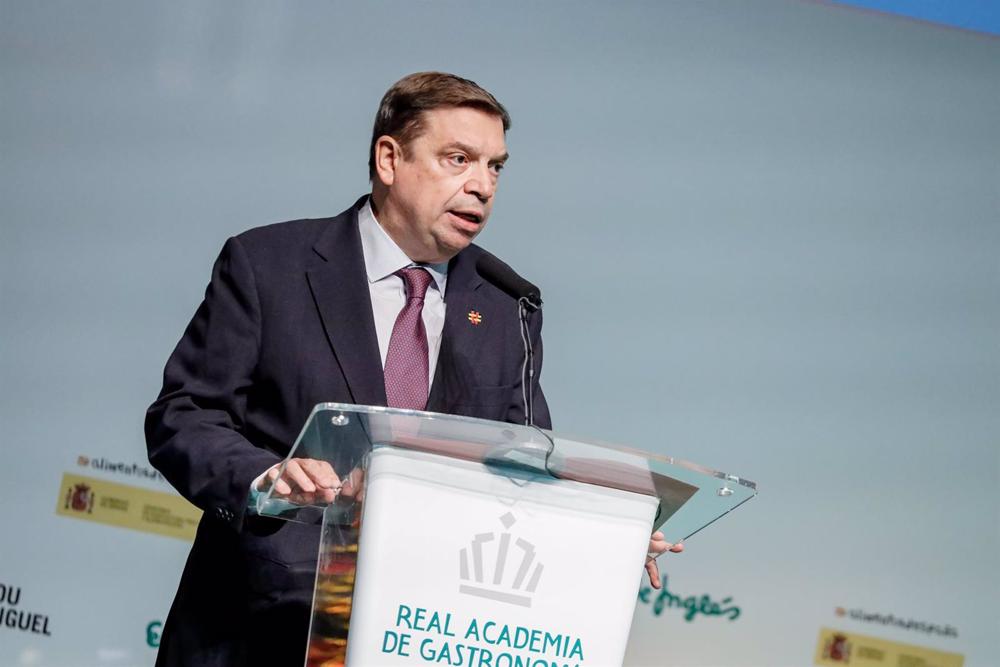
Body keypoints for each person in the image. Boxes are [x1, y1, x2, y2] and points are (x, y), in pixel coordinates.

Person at [146, 71, 677, 667]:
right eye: (459, 159)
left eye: (496, 166)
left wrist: (606, 532)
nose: (482, 186)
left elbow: (527, 471)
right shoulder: (269, 265)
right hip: (261, 626)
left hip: (419, 633)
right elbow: (185, 416)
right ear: (389, 159)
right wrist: (265, 477)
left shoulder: (507, 307)